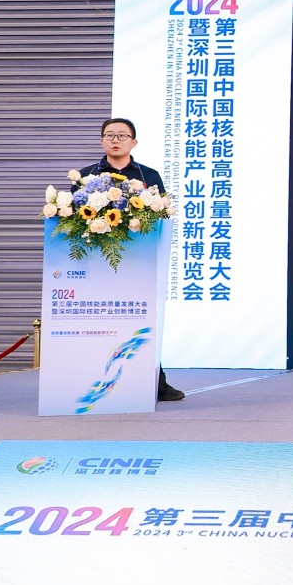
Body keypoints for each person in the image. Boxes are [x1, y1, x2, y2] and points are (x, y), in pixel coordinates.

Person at [77, 118, 183, 402]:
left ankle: (155, 383)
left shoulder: (149, 175)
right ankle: (89, 377)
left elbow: (162, 215)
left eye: (122, 136)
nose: (116, 140)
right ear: (101, 140)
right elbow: (72, 219)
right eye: (110, 135)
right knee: (98, 321)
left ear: (133, 142)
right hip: (97, 262)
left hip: (139, 261)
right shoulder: (86, 176)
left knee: (142, 319)